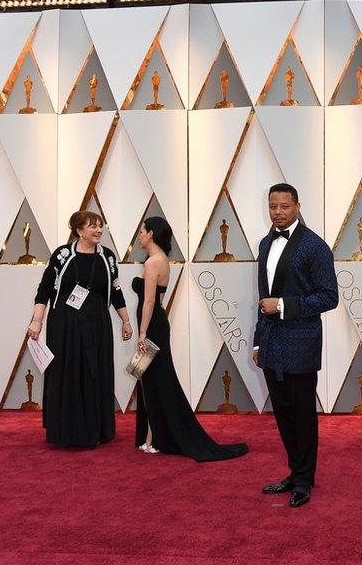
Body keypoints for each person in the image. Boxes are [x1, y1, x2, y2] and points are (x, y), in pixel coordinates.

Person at [133, 216, 248, 461]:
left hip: (152, 326)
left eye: (142, 231)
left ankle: (154, 439)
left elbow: (150, 301)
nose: (139, 235)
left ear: (151, 233)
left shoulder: (154, 262)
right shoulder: (160, 260)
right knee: (154, 381)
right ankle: (152, 438)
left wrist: (142, 332)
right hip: (156, 324)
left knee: (156, 381)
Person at [253, 184, 338, 508]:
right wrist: (259, 341)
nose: (278, 212)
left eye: (284, 206)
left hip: (301, 342)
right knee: (283, 413)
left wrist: (285, 306)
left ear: (298, 207)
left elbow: (329, 297)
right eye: (272, 206)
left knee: (303, 414)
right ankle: (295, 471)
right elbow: (262, 300)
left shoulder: (315, 246)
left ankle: (305, 480)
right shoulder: (265, 243)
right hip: (272, 343)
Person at [27, 211, 132, 447]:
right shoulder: (62, 255)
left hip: (98, 324)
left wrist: (125, 321)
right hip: (65, 325)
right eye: (92, 226)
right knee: (68, 371)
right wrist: (37, 320)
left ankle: (97, 428)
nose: (98, 230)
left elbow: (115, 290)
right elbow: (44, 288)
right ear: (79, 231)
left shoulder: (107, 256)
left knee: (96, 371)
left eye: (100, 226)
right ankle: (68, 430)